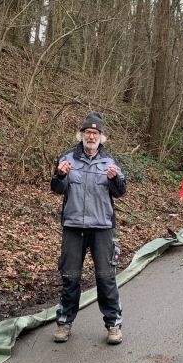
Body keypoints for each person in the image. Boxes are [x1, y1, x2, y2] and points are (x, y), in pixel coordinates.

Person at [50, 112, 126, 345]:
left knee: (105, 277)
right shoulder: (67, 159)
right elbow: (56, 188)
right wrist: (60, 175)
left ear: (101, 137)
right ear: (81, 135)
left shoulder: (110, 162)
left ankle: (113, 325)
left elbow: (121, 191)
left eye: (95, 133)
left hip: (102, 227)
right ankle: (64, 323)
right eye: (87, 132)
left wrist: (115, 180)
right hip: (73, 227)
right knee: (70, 276)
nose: (91, 136)